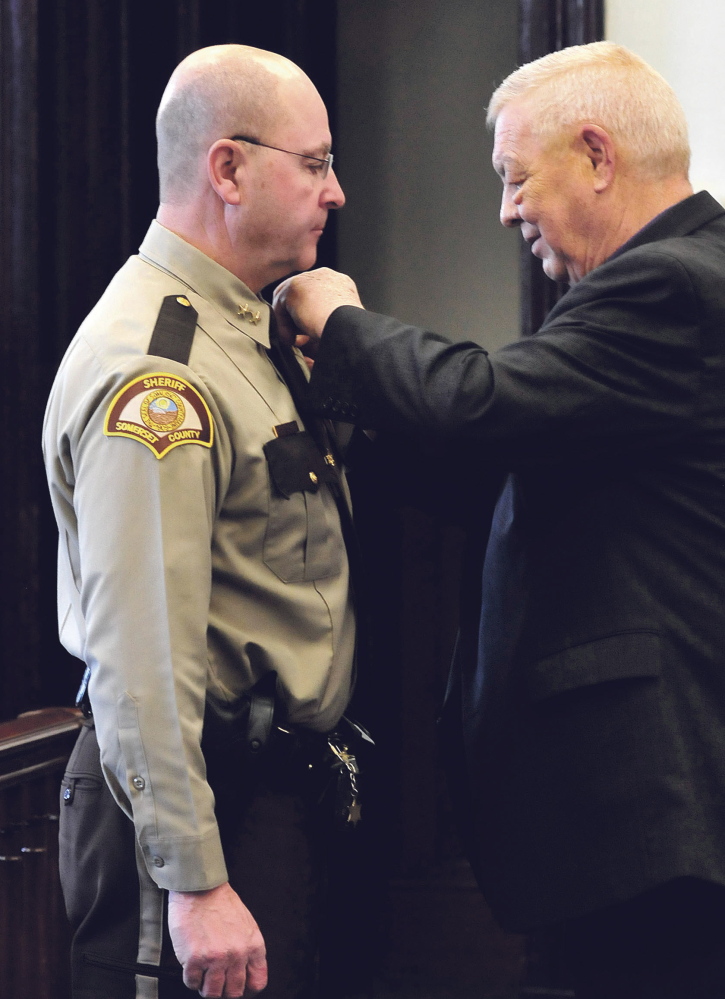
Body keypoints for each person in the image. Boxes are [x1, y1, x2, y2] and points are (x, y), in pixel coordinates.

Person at [274, 41, 725, 999]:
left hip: (656, 811)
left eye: (517, 178)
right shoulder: (665, 280)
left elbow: (477, 403)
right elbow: (502, 461)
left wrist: (342, 318)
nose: (506, 208)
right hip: (638, 820)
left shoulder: (672, 284)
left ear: (596, 156)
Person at [43, 44, 360, 999]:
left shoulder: (242, 328)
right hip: (195, 809)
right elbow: (139, 650)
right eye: (315, 163)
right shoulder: (160, 369)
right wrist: (195, 877)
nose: (336, 191)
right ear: (227, 169)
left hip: (267, 793)